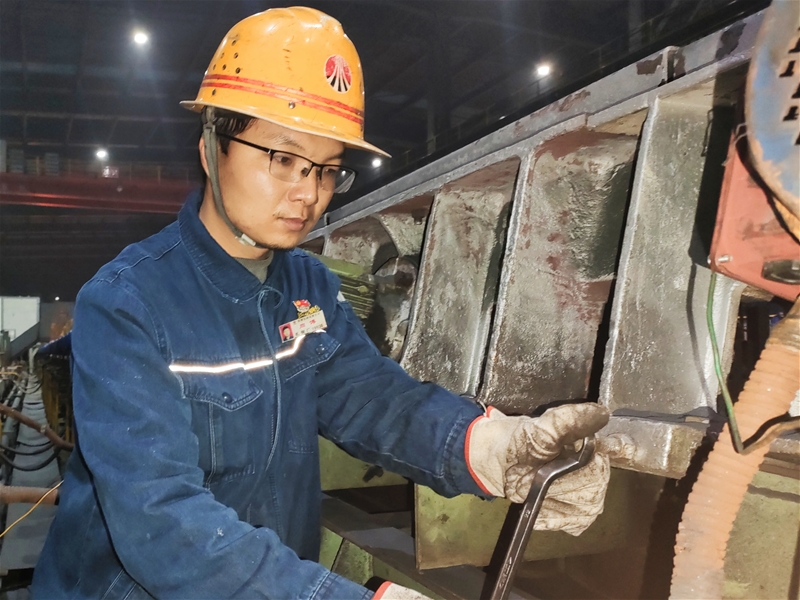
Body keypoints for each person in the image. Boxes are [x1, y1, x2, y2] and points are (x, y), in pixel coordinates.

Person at [33, 7, 613, 599]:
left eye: (328, 169)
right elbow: (162, 524)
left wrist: (489, 448)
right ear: (210, 146)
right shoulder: (128, 303)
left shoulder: (308, 287)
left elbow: (371, 398)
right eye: (283, 159)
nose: (308, 193)